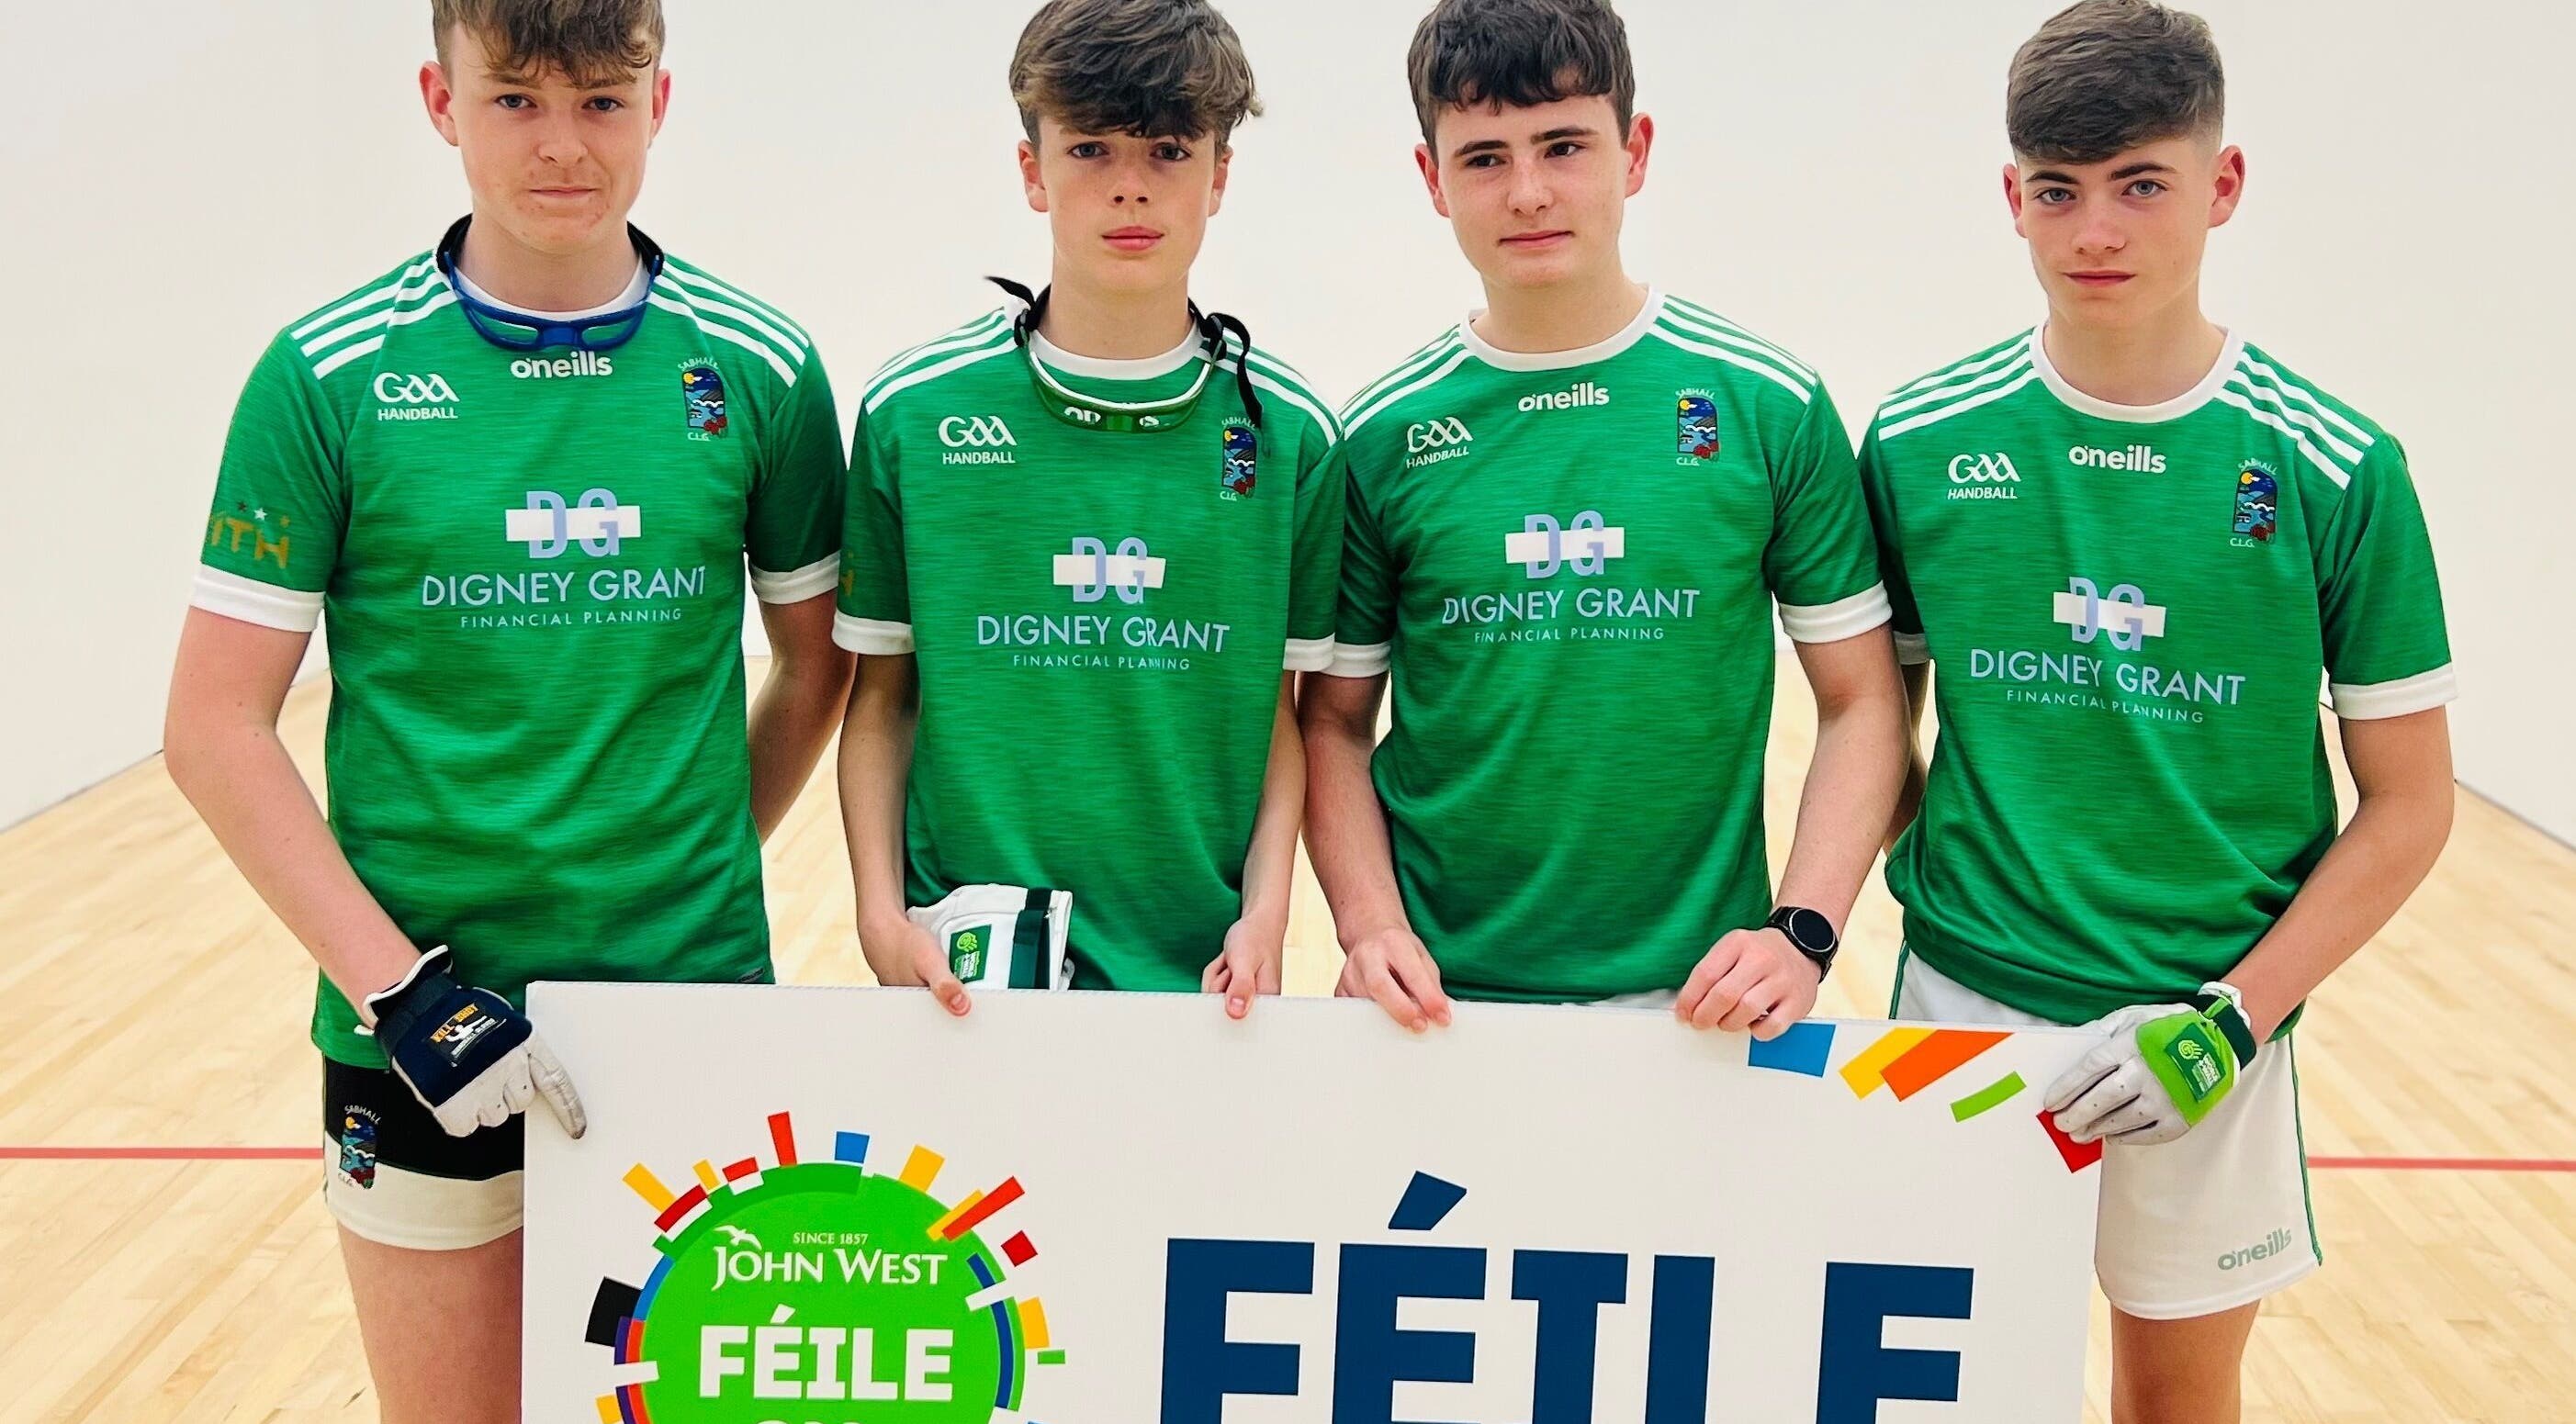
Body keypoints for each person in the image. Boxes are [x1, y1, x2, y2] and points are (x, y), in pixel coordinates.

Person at [162, 3, 849, 1417]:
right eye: (518, 98)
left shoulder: (763, 369)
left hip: (691, 1007)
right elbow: (215, 723)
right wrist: (401, 987)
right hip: (415, 1031)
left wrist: (698, 846)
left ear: (661, 98)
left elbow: (820, 661)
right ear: (440, 95)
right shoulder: (328, 375)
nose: (561, 144)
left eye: (602, 101)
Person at [1861, 4, 2457, 1418]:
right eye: (2057, 191)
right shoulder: (1919, 441)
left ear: (2221, 185)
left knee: (2172, 1403)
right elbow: (1872, 729)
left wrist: (2230, 1019)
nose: (2096, 230)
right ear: (2012, 198)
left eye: (2141, 184)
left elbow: (2414, 803)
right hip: (1958, 1004)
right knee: (1928, 1391)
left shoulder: (2333, 468)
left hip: (2206, 1030)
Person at [1299, 0, 1907, 1034]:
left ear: (1635, 152)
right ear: (1430, 178)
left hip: (1700, 1009)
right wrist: (1367, 931)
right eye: (1484, 158)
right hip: (1436, 1010)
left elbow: (1861, 701)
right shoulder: (1381, 437)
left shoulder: (1766, 405)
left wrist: (1801, 932)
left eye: (1564, 145)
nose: (1529, 192)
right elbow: (1333, 722)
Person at [834, 0, 1342, 1018]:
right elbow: (880, 698)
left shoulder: (1293, 436)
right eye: (1092, 147)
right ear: (1032, 170)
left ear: (1219, 177)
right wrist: (878, 914)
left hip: (1201, 975)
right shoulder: (913, 415)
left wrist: (1267, 915)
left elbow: (1279, 712)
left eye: (1167, 149)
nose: (1128, 186)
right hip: (963, 978)